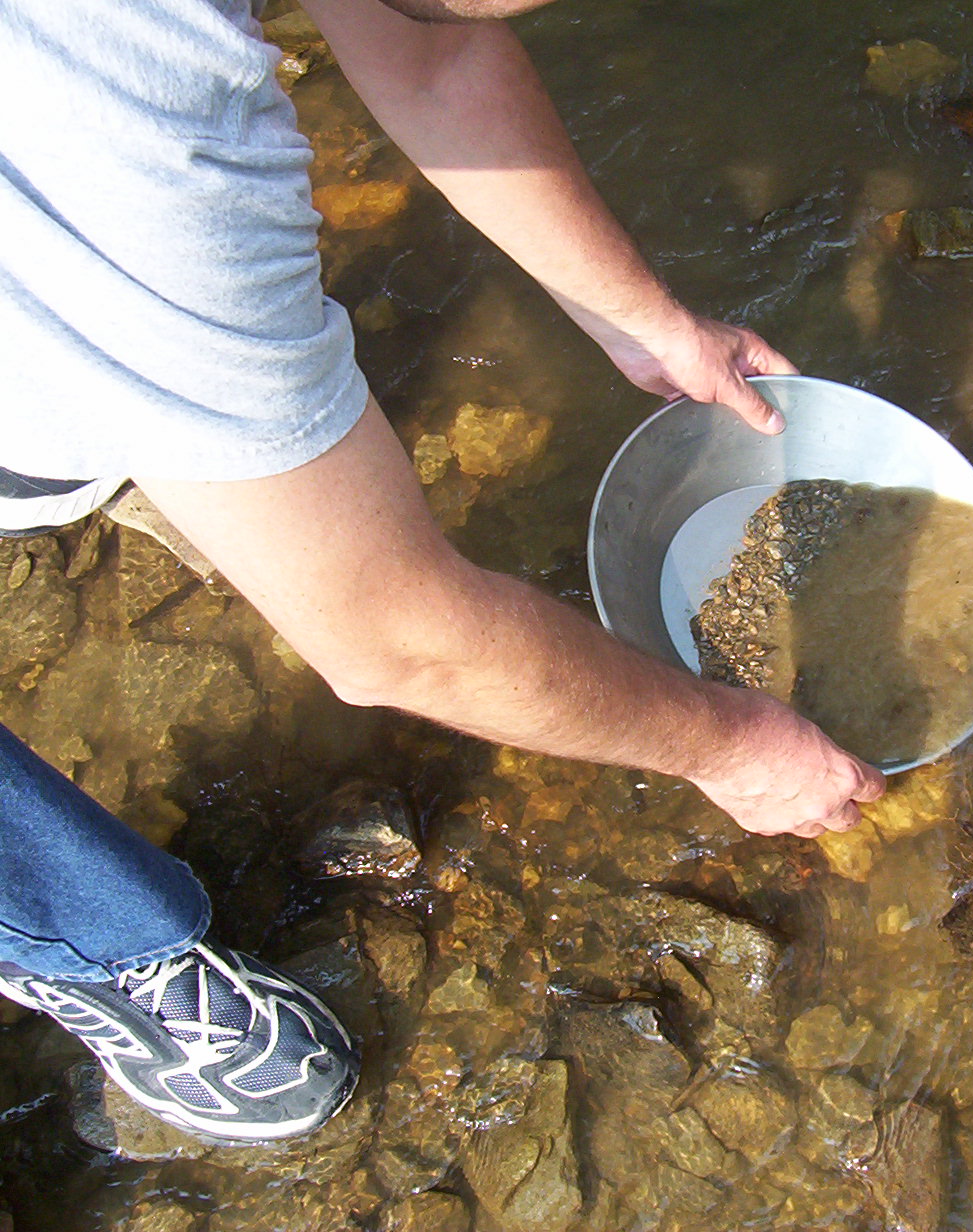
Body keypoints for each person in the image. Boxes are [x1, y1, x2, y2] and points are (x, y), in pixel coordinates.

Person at [0, 0, 886, 1142]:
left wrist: (642, 319)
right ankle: (85, 948)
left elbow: (436, 44)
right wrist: (737, 745)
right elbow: (396, 638)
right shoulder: (145, 139)